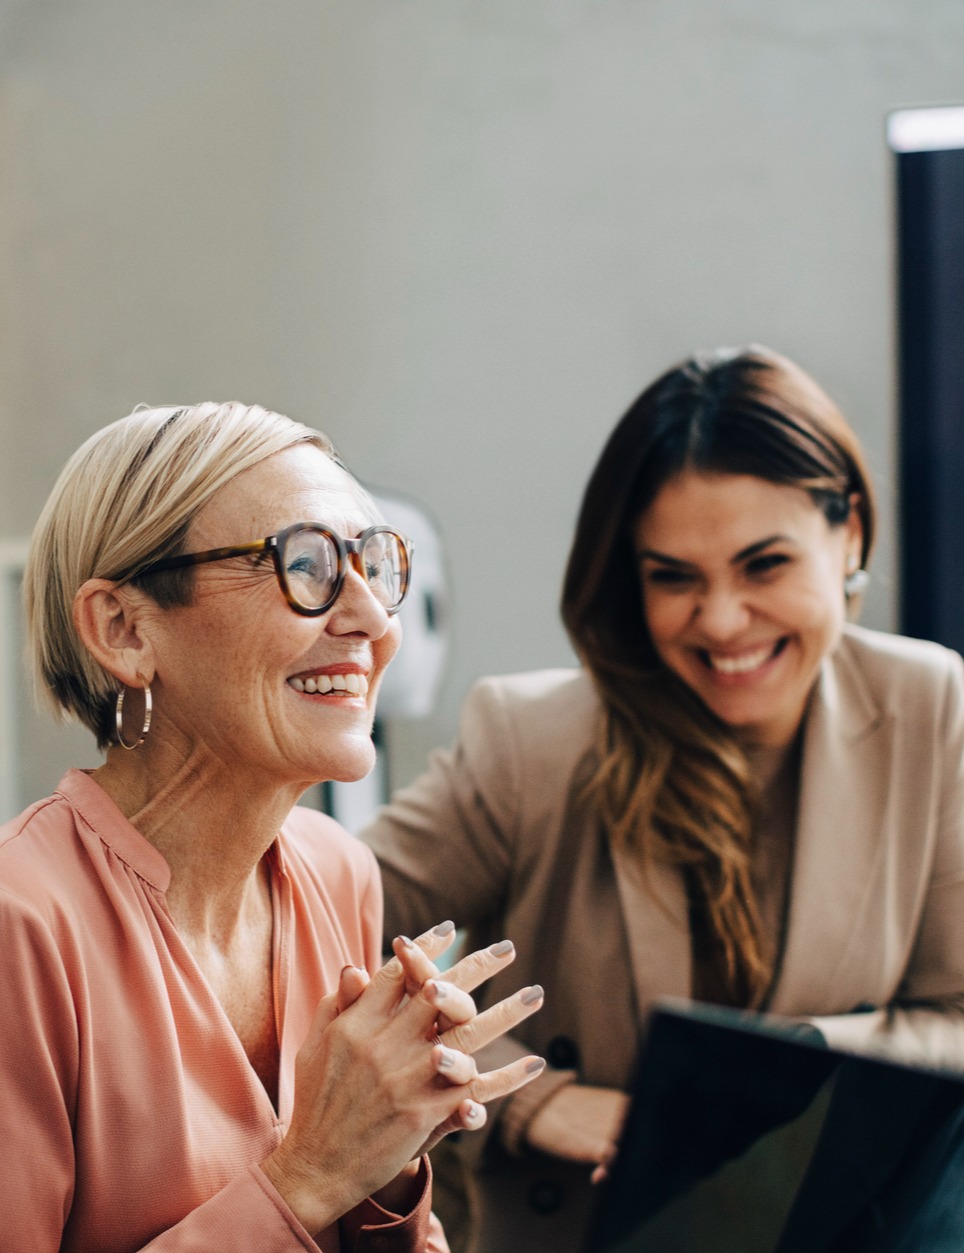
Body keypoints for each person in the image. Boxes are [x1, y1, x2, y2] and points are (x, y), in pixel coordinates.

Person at [360, 346, 964, 1253]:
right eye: (673, 576)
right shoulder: (531, 738)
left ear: (849, 534)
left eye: (764, 565)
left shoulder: (931, 704)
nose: (720, 618)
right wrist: (534, 1098)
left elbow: (956, 1015)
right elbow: (329, 933)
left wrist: (776, 1079)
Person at [0, 401, 547, 1252]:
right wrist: (312, 1174)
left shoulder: (338, 870)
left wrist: (389, 1158)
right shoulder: (20, 924)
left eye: (374, 563)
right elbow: (315, 1178)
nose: (375, 620)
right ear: (124, 628)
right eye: (305, 564)